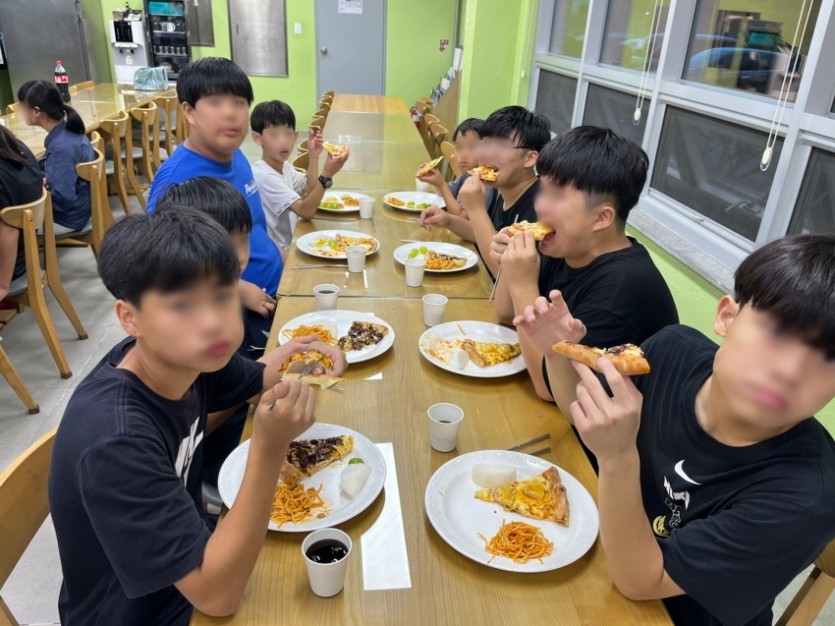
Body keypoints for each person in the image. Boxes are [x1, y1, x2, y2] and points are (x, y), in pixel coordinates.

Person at [513, 234, 835, 625]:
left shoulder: (807, 495)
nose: (791, 371)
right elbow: (582, 419)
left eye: (828, 357)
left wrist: (617, 457)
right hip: (598, 553)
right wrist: (558, 352)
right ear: (727, 317)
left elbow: (641, 582)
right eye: (778, 332)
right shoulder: (672, 350)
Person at [49, 207, 347, 626]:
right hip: (147, 612)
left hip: (194, 562)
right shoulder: (115, 441)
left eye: (223, 296)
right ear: (130, 318)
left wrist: (310, 354)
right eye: (182, 306)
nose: (213, 324)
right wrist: (269, 446)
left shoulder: (187, 357)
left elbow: (258, 379)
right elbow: (219, 597)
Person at [491, 126, 678, 401]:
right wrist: (511, 263)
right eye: (543, 190)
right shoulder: (566, 246)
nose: (540, 206)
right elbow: (506, 315)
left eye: (557, 195)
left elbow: (549, 389)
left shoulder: (621, 291)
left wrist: (522, 284)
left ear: (601, 218)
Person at [145, 57, 281, 358]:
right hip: (235, 319)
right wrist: (237, 289)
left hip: (275, 293)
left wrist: (279, 252)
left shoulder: (236, 155)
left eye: (239, 102)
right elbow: (162, 271)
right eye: (216, 102)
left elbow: (255, 225)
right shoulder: (177, 181)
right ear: (189, 111)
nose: (231, 113)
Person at [157, 176, 262, 487]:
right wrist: (244, 394)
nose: (241, 256)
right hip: (219, 454)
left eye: (244, 239)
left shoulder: (222, 301)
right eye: (227, 245)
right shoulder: (184, 338)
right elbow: (191, 434)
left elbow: (248, 377)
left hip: (249, 421)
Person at [419, 106, 550, 276]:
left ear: (530, 158)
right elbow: (486, 235)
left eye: (502, 145)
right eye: (486, 143)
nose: (487, 154)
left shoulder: (541, 208)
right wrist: (448, 220)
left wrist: (475, 208)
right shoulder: (504, 189)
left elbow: (505, 274)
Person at [250, 100, 350, 252]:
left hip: (289, 242)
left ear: (295, 136)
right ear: (257, 138)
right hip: (278, 253)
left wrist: (313, 156)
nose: (283, 141)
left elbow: (310, 187)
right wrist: (327, 174)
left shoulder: (284, 166)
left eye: (288, 133)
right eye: (274, 134)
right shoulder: (264, 176)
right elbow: (306, 212)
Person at [16, 80, 94, 233]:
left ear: (36, 112)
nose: (20, 111)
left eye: (22, 106)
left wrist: (36, 194)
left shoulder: (60, 147)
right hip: (79, 208)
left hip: (67, 218)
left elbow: (63, 198)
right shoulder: (67, 130)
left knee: (10, 223)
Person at [416, 117, 495, 217]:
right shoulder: (466, 175)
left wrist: (441, 184)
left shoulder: (485, 181)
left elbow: (461, 217)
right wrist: (435, 180)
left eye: (472, 147)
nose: (463, 154)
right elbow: (445, 195)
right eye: (459, 147)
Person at [0, 125, 44, 302]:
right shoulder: (15, 145)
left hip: (10, 265)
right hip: (27, 251)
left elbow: (9, 232)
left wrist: (3, 285)